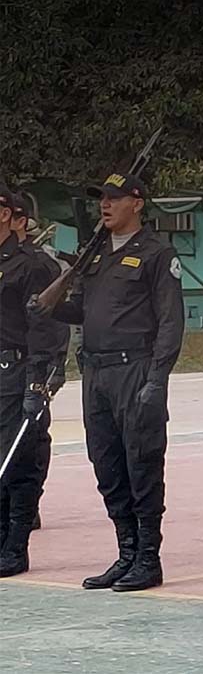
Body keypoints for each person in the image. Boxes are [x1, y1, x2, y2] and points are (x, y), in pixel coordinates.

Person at [41, 172, 185, 591]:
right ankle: (126, 552)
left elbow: (170, 323)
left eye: (114, 198)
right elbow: (82, 310)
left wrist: (158, 378)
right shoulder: (96, 254)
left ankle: (148, 558)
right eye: (102, 198)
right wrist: (49, 307)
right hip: (97, 372)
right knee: (106, 463)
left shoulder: (157, 253)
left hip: (134, 369)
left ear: (137, 204)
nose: (104, 205)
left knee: (142, 462)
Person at [0, 187, 60, 576]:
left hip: (16, 370)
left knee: (18, 459)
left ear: (6, 214)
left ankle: (15, 547)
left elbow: (46, 327)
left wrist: (39, 381)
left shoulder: (32, 265)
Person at [10, 193, 70, 534]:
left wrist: (52, 368)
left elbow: (51, 322)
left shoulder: (39, 264)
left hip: (28, 365)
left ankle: (27, 505)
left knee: (31, 438)